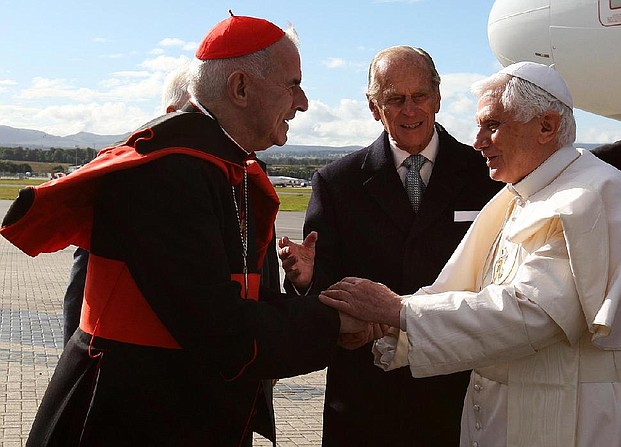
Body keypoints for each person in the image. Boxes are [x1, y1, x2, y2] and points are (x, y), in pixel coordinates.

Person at [2, 13, 366, 446]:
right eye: (293, 84)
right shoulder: (166, 172)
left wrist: (320, 303)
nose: (303, 102)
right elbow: (221, 329)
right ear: (241, 88)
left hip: (184, 406)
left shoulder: (225, 164)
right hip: (130, 416)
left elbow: (245, 296)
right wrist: (334, 321)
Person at [319, 61, 621, 446]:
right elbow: (465, 288)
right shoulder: (521, 195)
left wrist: (399, 311)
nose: (478, 142)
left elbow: (533, 311)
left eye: (492, 125)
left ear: (546, 126)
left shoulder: (590, 195)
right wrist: (391, 325)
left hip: (572, 420)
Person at [280, 46, 501, 446]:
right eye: (394, 99)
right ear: (372, 106)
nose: (410, 110)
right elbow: (326, 291)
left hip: (459, 386)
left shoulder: (487, 176)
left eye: (419, 96)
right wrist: (307, 278)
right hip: (367, 394)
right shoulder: (336, 182)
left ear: (437, 96)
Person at [61, 63, 194, 346]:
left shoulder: (243, 178)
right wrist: (76, 363)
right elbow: (84, 290)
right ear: (171, 114)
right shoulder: (124, 183)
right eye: (200, 114)